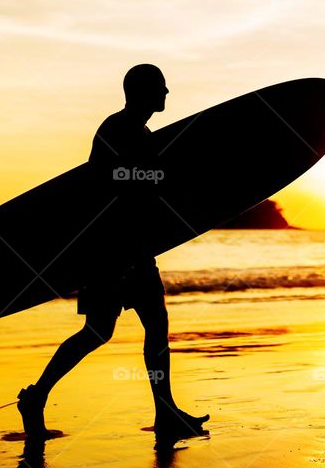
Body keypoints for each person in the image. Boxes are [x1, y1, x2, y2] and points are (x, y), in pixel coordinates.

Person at [17, 63, 209, 446]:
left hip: (136, 250)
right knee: (98, 332)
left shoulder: (140, 132)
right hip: (111, 252)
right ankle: (36, 395)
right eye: (161, 88)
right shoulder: (117, 130)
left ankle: (165, 411)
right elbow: (107, 186)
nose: (167, 93)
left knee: (154, 329)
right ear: (141, 92)